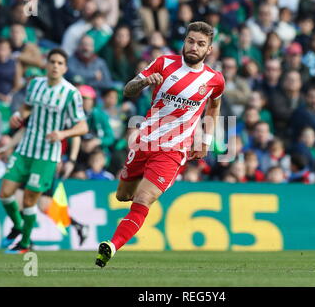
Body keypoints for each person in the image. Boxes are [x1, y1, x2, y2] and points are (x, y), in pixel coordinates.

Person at [95, 21, 225, 267]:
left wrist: (206, 139)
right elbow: (127, 90)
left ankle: (111, 246)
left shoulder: (214, 80)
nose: (194, 47)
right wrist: (144, 82)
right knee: (123, 195)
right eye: (190, 41)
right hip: (145, 142)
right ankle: (124, 227)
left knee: (143, 200)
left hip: (174, 150)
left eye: (201, 44)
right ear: (184, 41)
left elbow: (215, 106)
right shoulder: (163, 63)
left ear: (209, 50)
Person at [0, 48, 88, 254]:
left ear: (65, 68)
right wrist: (18, 115)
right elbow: (28, 109)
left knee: (31, 200)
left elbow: (83, 127)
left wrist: (63, 134)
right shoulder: (35, 84)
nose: (55, 66)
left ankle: (25, 244)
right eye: (52, 62)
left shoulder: (71, 94)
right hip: (25, 149)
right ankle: (20, 227)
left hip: (47, 156)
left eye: (60, 63)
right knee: (5, 193)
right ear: (46, 64)